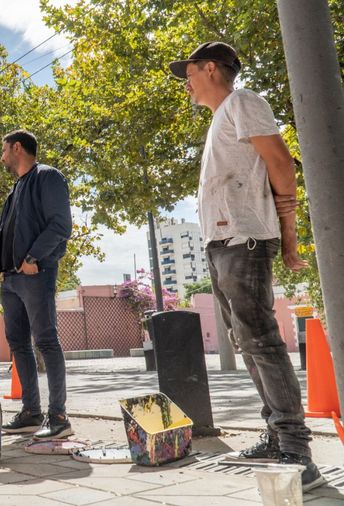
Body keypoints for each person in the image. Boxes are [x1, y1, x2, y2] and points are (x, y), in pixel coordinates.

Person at [169, 42, 324, 491]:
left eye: (189, 74)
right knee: (248, 343)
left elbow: (281, 163)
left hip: (246, 239)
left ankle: (296, 450)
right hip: (223, 244)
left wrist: (289, 238)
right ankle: (276, 436)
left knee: (262, 341)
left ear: (210, 69)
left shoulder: (242, 102)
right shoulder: (221, 117)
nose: (186, 84)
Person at [0, 129, 73, 439]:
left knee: (46, 341)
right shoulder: (16, 188)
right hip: (12, 279)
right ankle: (31, 413)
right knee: (18, 344)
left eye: (4, 150)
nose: (1, 157)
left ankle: (59, 417)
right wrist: (5, 267)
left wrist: (33, 258)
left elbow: (60, 225)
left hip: (35, 273)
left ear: (17, 148)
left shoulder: (47, 176)